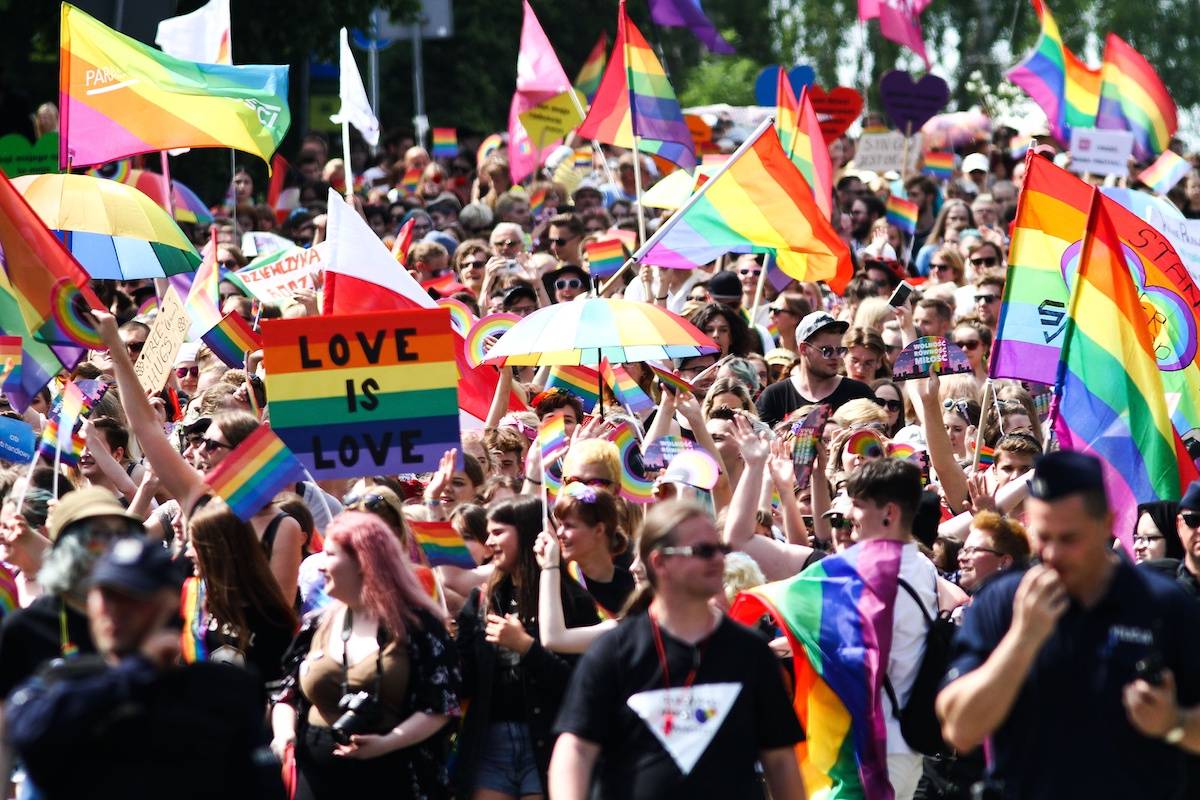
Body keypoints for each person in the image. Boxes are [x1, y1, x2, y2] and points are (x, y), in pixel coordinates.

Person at [936, 452, 1200, 799]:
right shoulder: (1004, 601)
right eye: (1043, 537)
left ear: (1106, 523)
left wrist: (1173, 723)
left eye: (1069, 538)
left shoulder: (1162, 604)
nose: (1053, 554)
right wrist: (1021, 641)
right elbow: (959, 727)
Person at [548, 500, 806, 800]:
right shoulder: (613, 652)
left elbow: (780, 760)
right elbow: (575, 750)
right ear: (659, 563)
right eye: (702, 551)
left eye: (719, 549)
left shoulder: (752, 652)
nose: (718, 561)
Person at [6, 537, 282, 800]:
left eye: (131, 597)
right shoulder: (64, 681)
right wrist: (137, 671)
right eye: (105, 594)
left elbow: (263, 787)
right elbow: (28, 733)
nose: (114, 610)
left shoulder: (224, 689)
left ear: (169, 605)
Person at [271, 512, 461, 800]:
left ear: (363, 562)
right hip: (315, 775)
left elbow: (441, 706)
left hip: (391, 776)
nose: (320, 565)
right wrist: (284, 733)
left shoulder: (419, 627)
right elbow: (287, 692)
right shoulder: (317, 623)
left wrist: (387, 743)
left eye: (331, 555)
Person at [453, 496, 598, 799]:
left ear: (527, 532)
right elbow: (462, 682)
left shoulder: (572, 604)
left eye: (498, 532)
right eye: (487, 533)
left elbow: (578, 688)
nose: (489, 541)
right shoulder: (481, 601)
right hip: (491, 742)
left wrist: (526, 647)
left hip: (545, 742)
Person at [844, 459, 941, 799]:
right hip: (901, 745)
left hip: (875, 748)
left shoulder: (878, 572)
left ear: (889, 513)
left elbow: (864, 659)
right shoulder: (921, 564)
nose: (848, 514)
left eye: (857, 505)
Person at [756, 311, 876, 427]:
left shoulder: (859, 393)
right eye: (827, 351)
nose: (835, 357)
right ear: (803, 349)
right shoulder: (774, 397)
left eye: (840, 350)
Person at [956, 511, 1031, 594]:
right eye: (962, 551)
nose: (960, 558)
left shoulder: (1019, 604)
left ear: (1004, 562)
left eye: (971, 550)